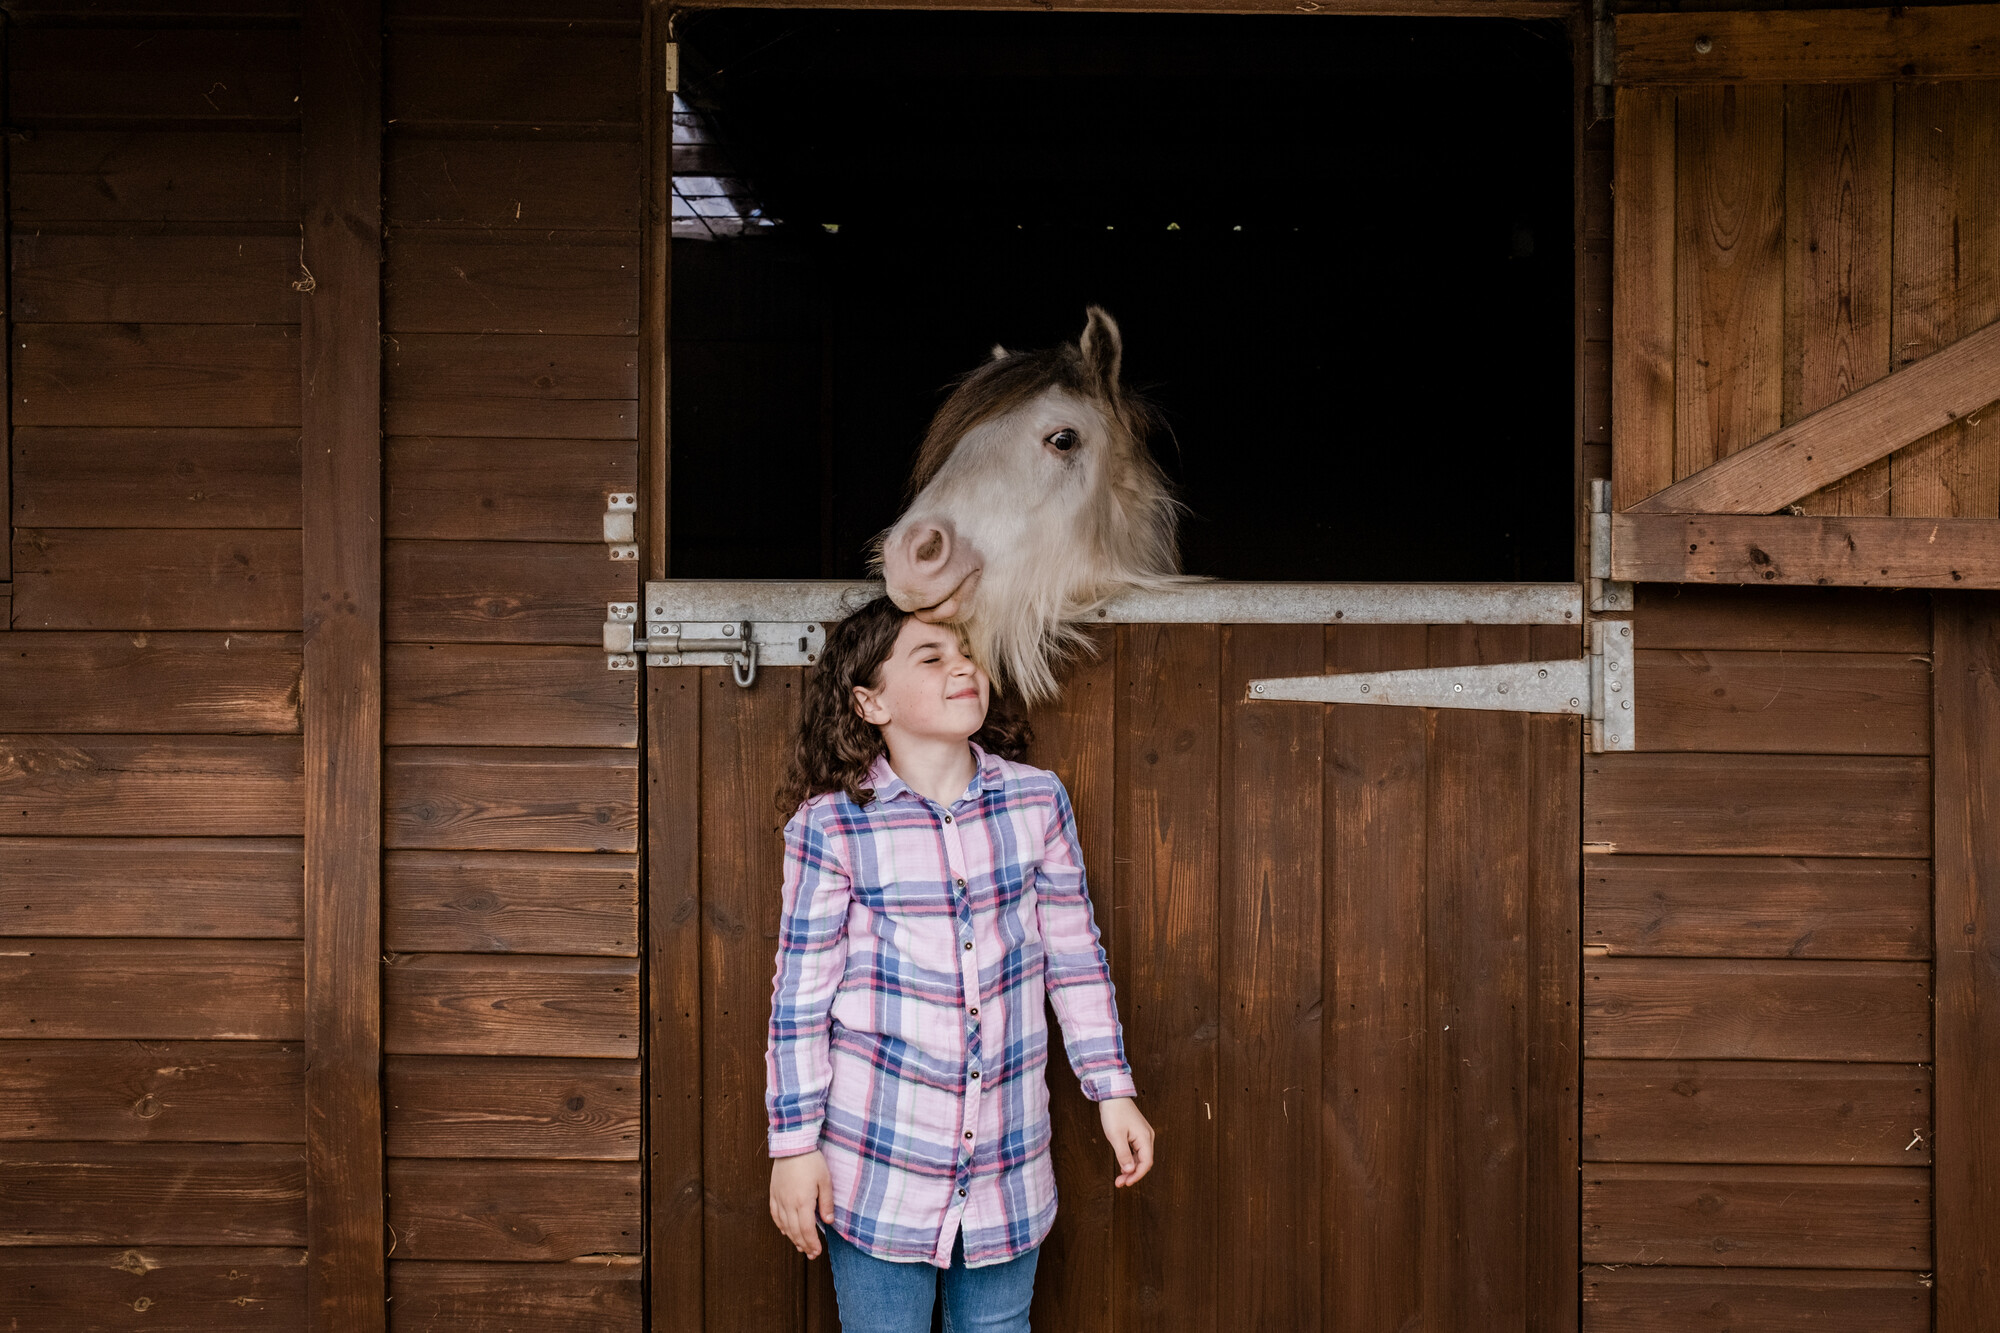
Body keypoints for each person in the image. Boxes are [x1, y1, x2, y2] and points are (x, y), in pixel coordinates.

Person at [765, 594, 1156, 1332]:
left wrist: (1112, 1091)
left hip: (1006, 1168)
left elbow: (1074, 959)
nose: (962, 666)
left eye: (968, 651)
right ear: (869, 699)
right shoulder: (831, 827)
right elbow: (800, 1002)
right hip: (879, 1166)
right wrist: (793, 1146)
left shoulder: (1034, 803)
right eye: (931, 656)